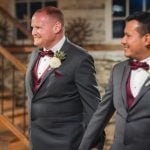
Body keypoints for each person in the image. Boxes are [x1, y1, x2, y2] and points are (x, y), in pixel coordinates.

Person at [25, 6, 105, 150]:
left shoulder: (80, 59)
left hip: (67, 143)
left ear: (56, 27)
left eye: (38, 27)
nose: (33, 32)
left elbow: (93, 106)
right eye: (32, 27)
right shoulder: (34, 55)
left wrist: (95, 144)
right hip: (36, 142)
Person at [79, 11, 150, 150]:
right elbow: (101, 114)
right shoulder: (118, 70)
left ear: (147, 39)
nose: (123, 40)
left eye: (128, 36)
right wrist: (84, 147)